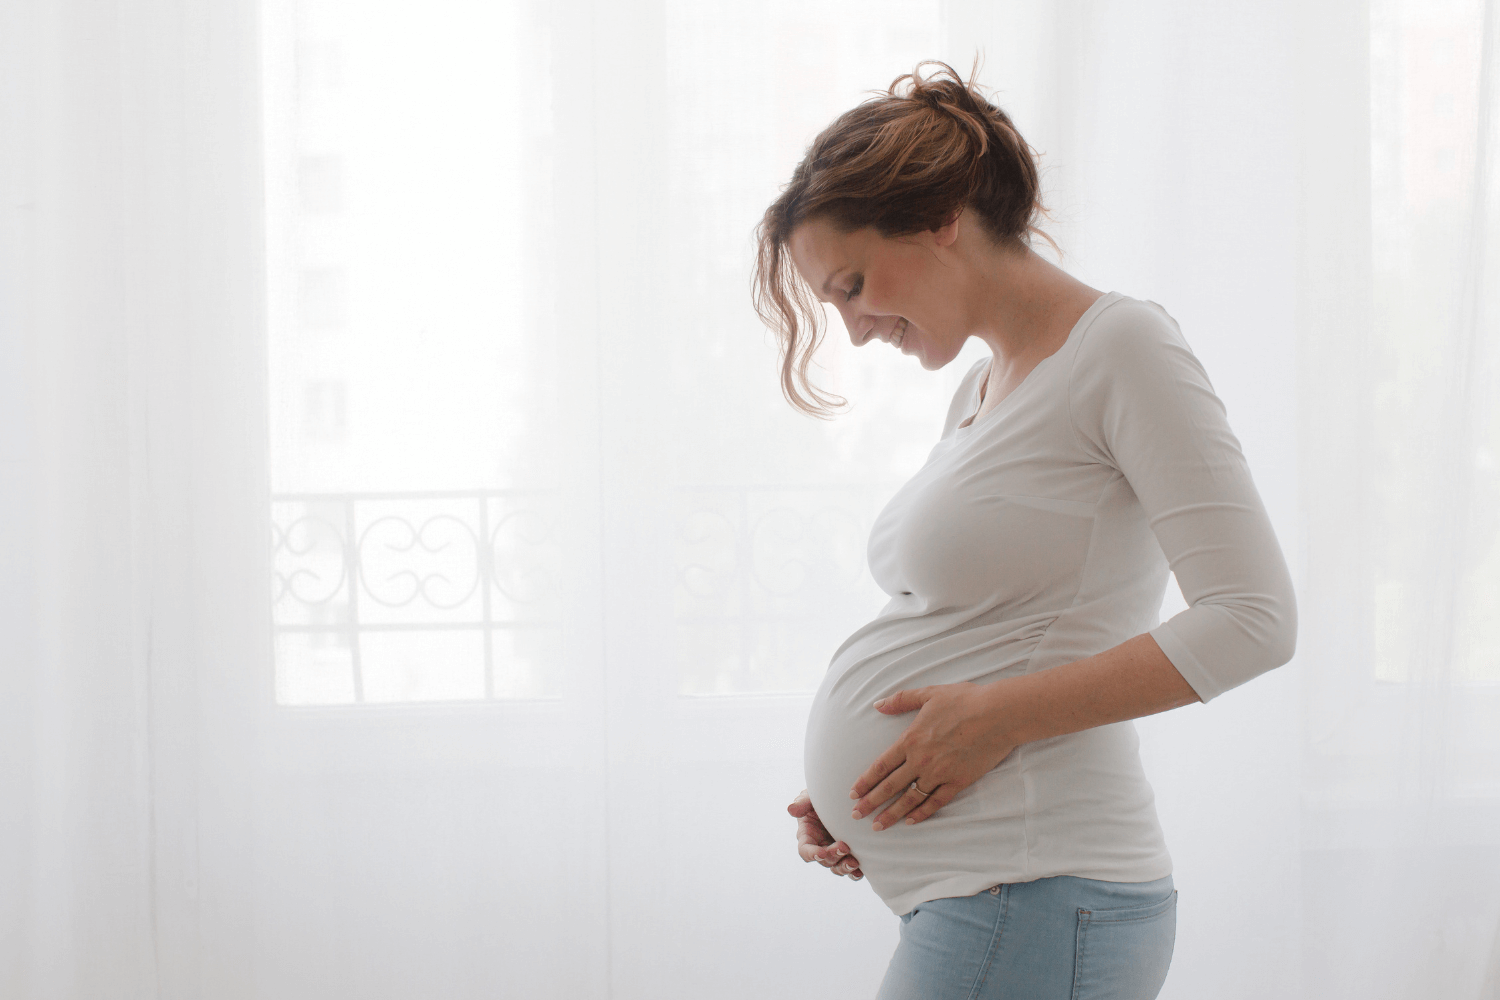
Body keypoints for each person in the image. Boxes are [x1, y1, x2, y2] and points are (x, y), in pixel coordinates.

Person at [751, 60, 1297, 1000]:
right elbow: (1002, 619)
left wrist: (990, 722)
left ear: (939, 218)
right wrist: (874, 790)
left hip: (1042, 891)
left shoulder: (1122, 345)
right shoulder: (982, 385)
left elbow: (1254, 617)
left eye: (850, 285)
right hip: (993, 893)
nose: (851, 329)